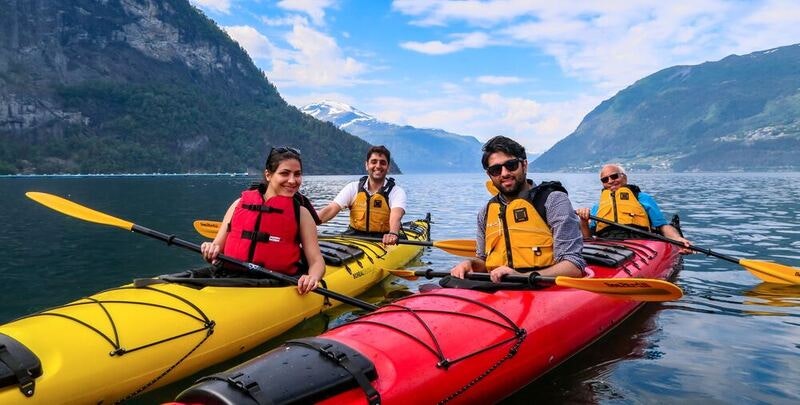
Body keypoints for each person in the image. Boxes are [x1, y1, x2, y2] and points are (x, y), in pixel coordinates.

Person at [450, 136, 585, 283]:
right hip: (498, 288)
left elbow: (573, 266)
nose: (504, 173)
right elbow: (483, 261)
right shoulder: (486, 212)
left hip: (543, 288)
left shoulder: (553, 201)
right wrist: (470, 264)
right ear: (489, 175)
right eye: (496, 170)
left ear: (524, 165)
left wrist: (521, 276)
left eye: (511, 165)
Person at [200, 146, 325, 295]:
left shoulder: (301, 214)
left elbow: (317, 261)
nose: (292, 181)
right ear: (268, 175)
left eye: (297, 174)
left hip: (275, 282)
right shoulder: (238, 204)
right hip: (229, 277)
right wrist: (209, 248)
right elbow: (216, 247)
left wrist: (312, 277)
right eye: (284, 173)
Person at [575, 163, 692, 253]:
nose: (610, 181)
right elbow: (588, 238)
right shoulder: (598, 206)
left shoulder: (642, 198)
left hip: (639, 243)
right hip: (606, 245)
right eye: (605, 179)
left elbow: (662, 226)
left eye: (614, 176)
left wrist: (677, 239)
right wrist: (583, 221)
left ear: (624, 178)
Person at [318, 145, 407, 245]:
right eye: (373, 162)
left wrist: (393, 233)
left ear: (388, 167)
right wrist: (310, 223)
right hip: (355, 236)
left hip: (384, 238)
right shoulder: (352, 188)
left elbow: (396, 216)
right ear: (366, 165)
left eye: (382, 163)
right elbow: (331, 209)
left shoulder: (397, 192)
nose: (378, 166)